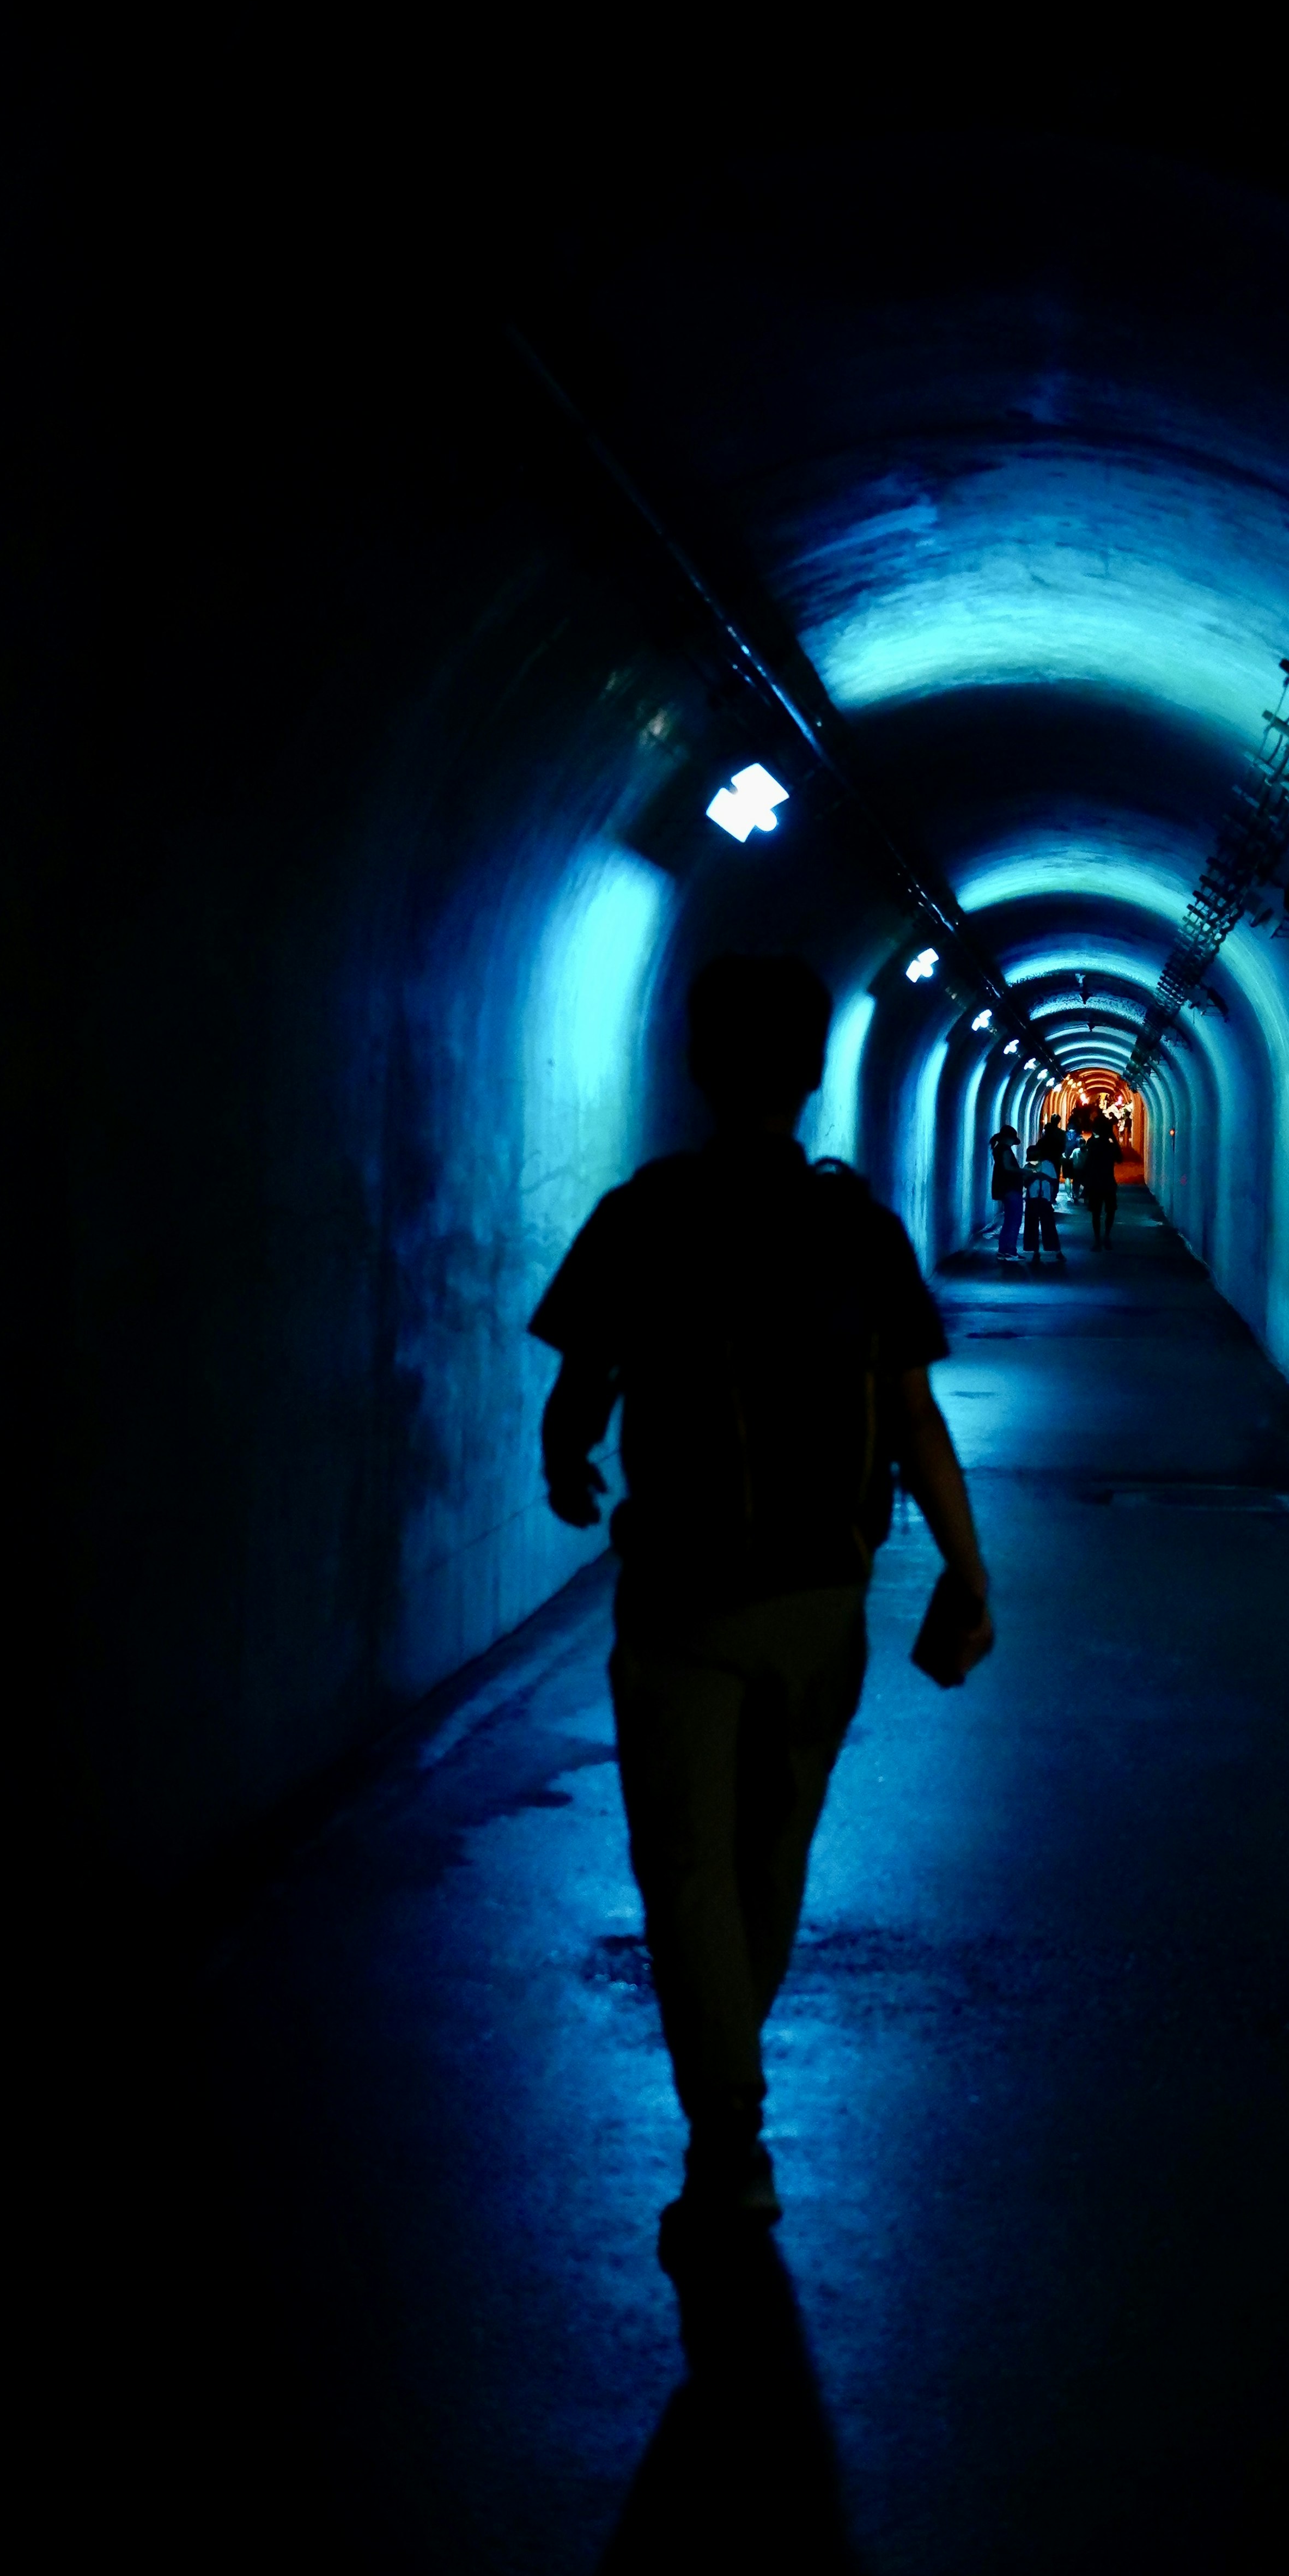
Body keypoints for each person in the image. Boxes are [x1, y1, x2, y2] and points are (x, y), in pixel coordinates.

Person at [531, 955, 996, 2256]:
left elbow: (583, 1380)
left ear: (694, 1062)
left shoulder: (646, 1212)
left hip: (678, 1593)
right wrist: (967, 1569)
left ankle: (727, 2142)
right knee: (767, 1854)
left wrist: (566, 1456)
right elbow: (911, 1416)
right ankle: (731, 2106)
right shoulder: (855, 1228)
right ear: (804, 1071)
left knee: (683, 1872)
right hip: (819, 1597)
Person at [1022, 1127, 1065, 1263]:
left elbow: (1054, 1181)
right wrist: (1033, 1176)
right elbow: (1025, 1184)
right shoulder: (1027, 1167)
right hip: (1032, 1200)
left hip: (1045, 1199)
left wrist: (1043, 1177)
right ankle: (1035, 1251)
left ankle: (1057, 1251)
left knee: (1049, 1226)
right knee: (1032, 1226)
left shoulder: (1048, 1165)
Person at [1077, 1118, 1121, 1249]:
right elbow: (1120, 1158)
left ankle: (1097, 1240)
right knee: (1110, 1211)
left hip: (1095, 1182)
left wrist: (1085, 1180)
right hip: (1108, 1181)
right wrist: (1113, 1137)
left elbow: (1088, 1162)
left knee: (1096, 1213)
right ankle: (1106, 1236)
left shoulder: (1092, 1143)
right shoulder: (1111, 1145)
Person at [989, 1122, 1025, 1260]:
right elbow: (1008, 1167)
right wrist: (1024, 1171)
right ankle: (1010, 1251)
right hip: (1011, 1188)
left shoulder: (999, 1149)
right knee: (1015, 1220)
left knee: (1009, 1220)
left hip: (1004, 1188)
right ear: (1008, 1138)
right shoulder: (1005, 1150)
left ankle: (1003, 1251)